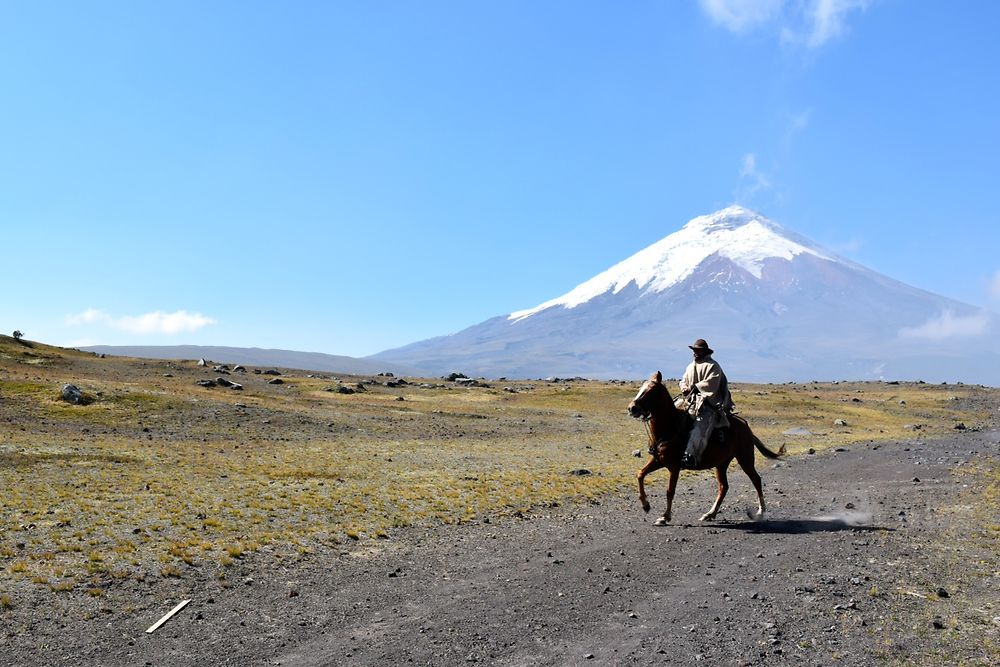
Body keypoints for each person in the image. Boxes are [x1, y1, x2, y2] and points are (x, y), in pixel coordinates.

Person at [676, 338, 734, 467]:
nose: (695, 352)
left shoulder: (713, 366)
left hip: (708, 404)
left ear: (704, 351)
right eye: (694, 350)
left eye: (697, 350)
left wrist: (696, 387)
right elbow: (683, 380)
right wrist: (684, 387)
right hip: (690, 401)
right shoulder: (690, 366)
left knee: (701, 424)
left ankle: (692, 455)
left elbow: (711, 383)